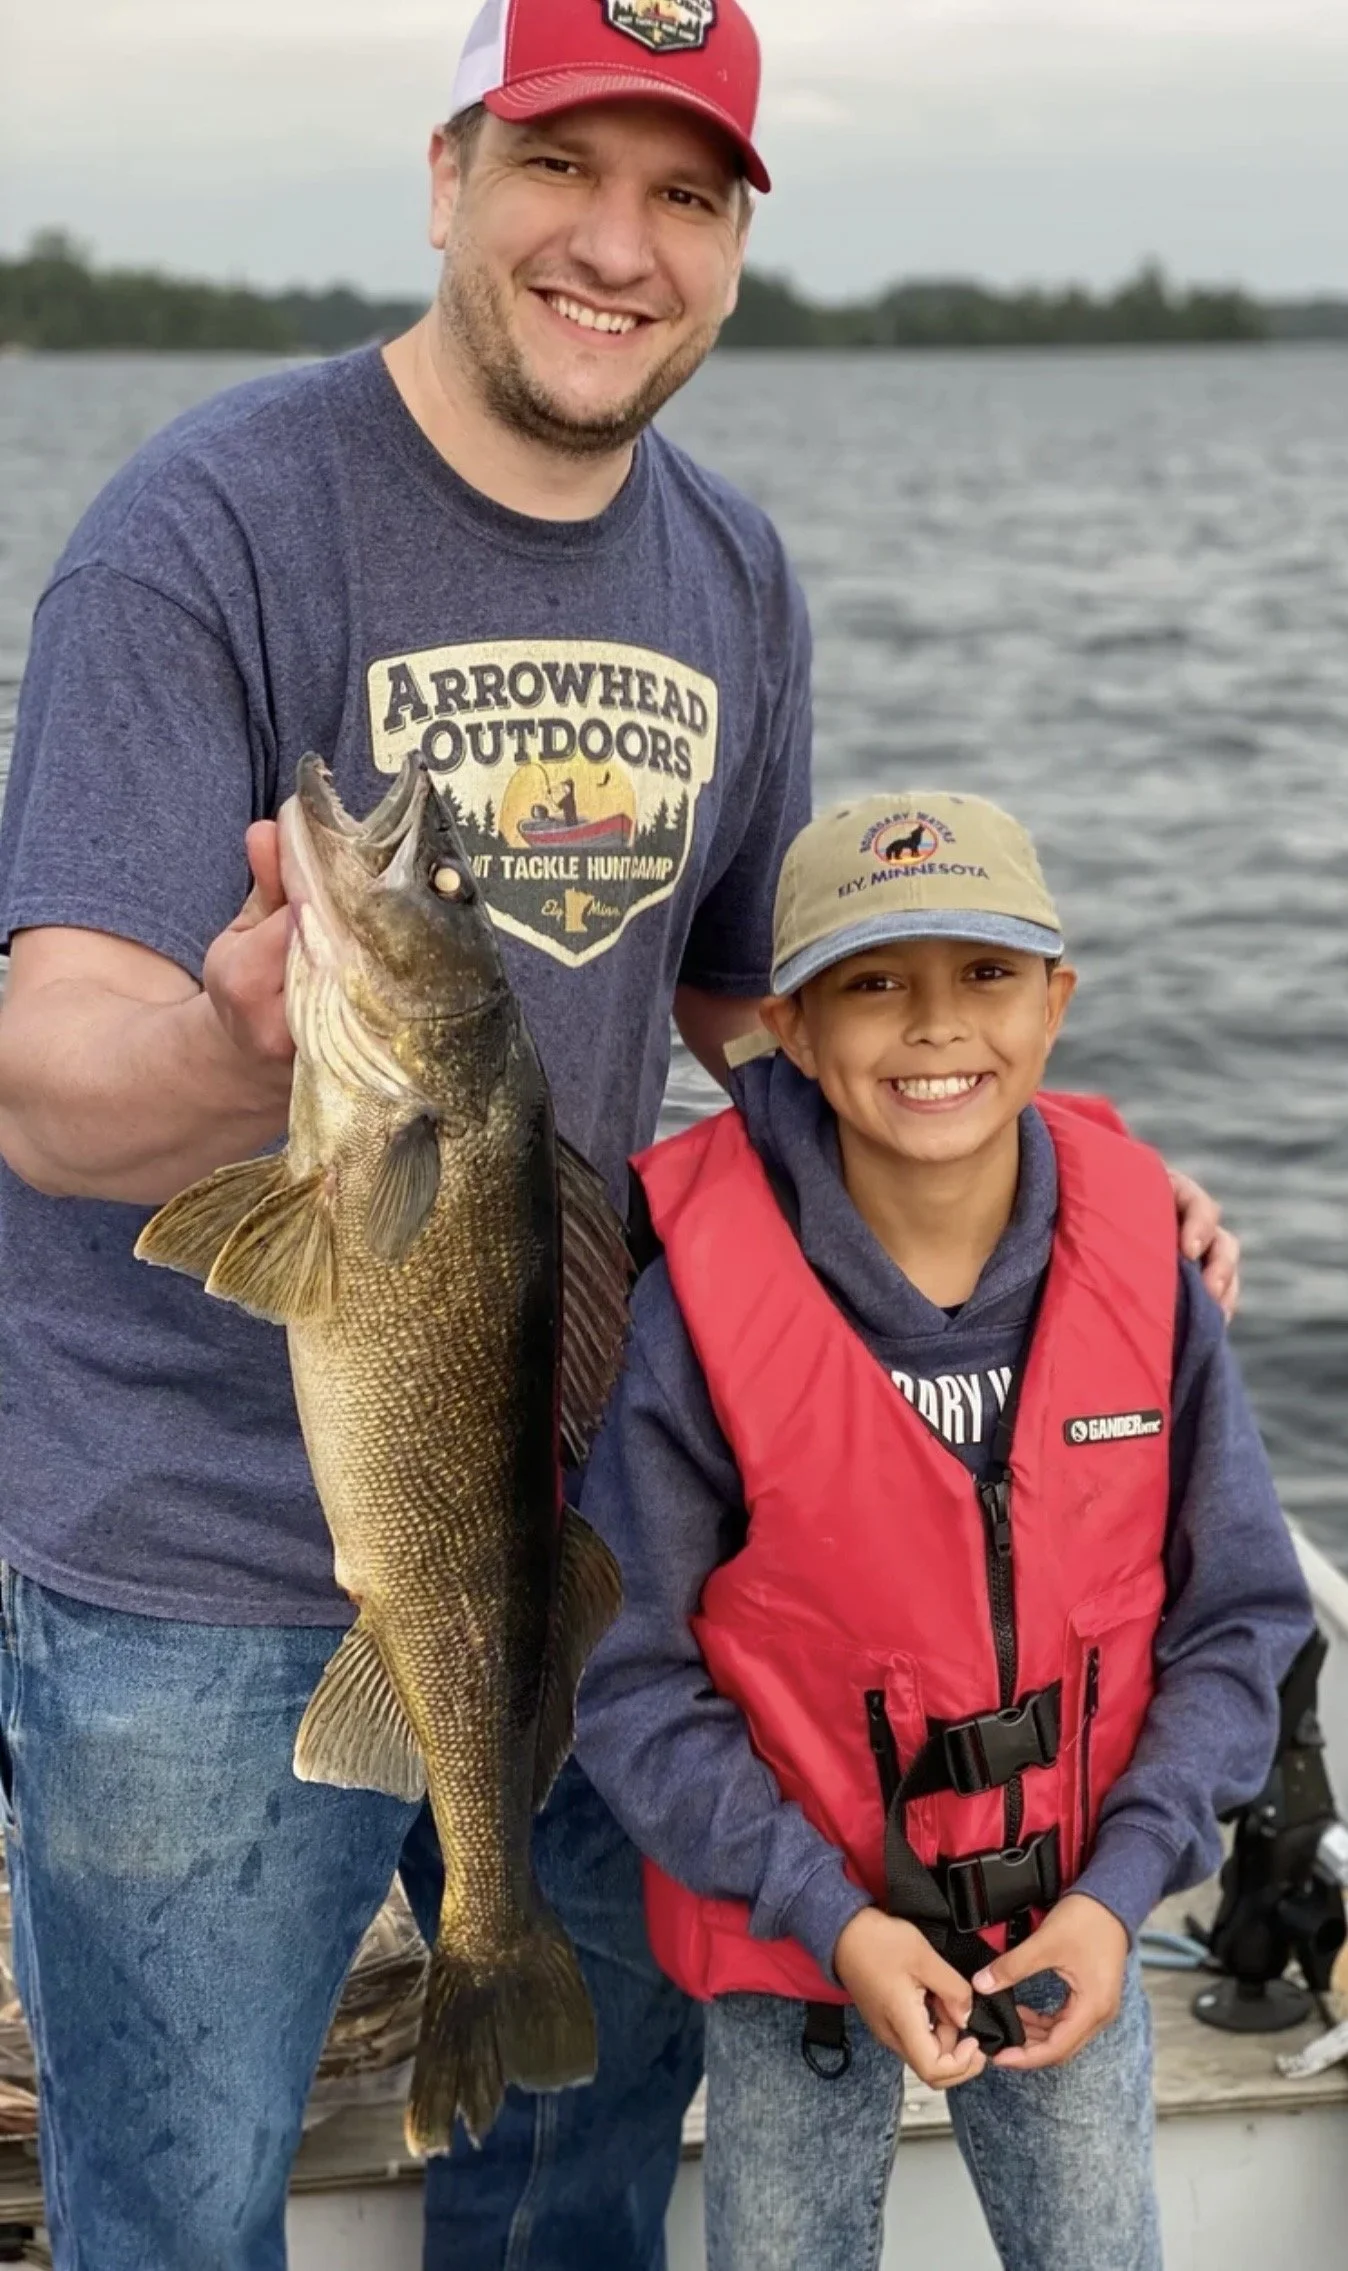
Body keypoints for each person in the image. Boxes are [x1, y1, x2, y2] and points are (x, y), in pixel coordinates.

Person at [0, 0, 1235, 2262]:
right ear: (447, 170)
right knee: (167, 2212)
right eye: (564, 163)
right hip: (182, 1562)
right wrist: (248, 1042)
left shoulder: (729, 571)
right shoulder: (201, 525)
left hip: (587, 1530)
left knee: (576, 2179)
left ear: (735, 248)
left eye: (684, 193)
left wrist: (1072, 1201)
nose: (617, 243)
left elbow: (763, 1026)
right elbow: (47, 1077)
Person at [575, 792, 1313, 2271]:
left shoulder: (1149, 1272)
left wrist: (1120, 1894)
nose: (933, 1026)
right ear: (783, 1023)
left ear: (1057, 1003)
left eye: (983, 973)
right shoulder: (694, 1310)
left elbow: (1240, 1619)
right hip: (798, 1945)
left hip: (1070, 1928)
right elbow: (628, 1678)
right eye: (874, 981)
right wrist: (826, 1912)